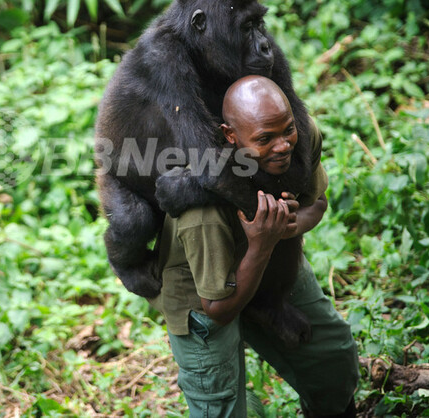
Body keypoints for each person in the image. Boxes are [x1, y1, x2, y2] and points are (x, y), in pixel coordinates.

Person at [148, 75, 358, 417]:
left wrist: (289, 226)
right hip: (202, 288)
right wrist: (261, 244)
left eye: (286, 130)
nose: (282, 146)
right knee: (223, 405)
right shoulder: (202, 207)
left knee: (331, 358)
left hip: (273, 255)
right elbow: (217, 309)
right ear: (230, 136)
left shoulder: (300, 136)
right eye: (265, 139)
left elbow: (316, 202)